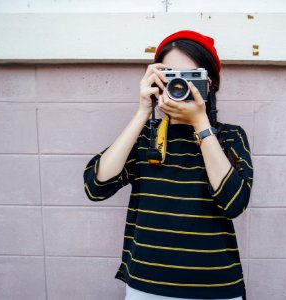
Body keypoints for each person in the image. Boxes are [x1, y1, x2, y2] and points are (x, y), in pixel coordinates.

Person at [83, 30, 253, 300]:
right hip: (145, 285)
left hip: (215, 286)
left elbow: (234, 204)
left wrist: (201, 125)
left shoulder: (230, 136)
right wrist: (143, 111)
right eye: (171, 76)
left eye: (191, 76)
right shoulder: (145, 136)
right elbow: (96, 187)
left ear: (210, 84)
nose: (180, 85)